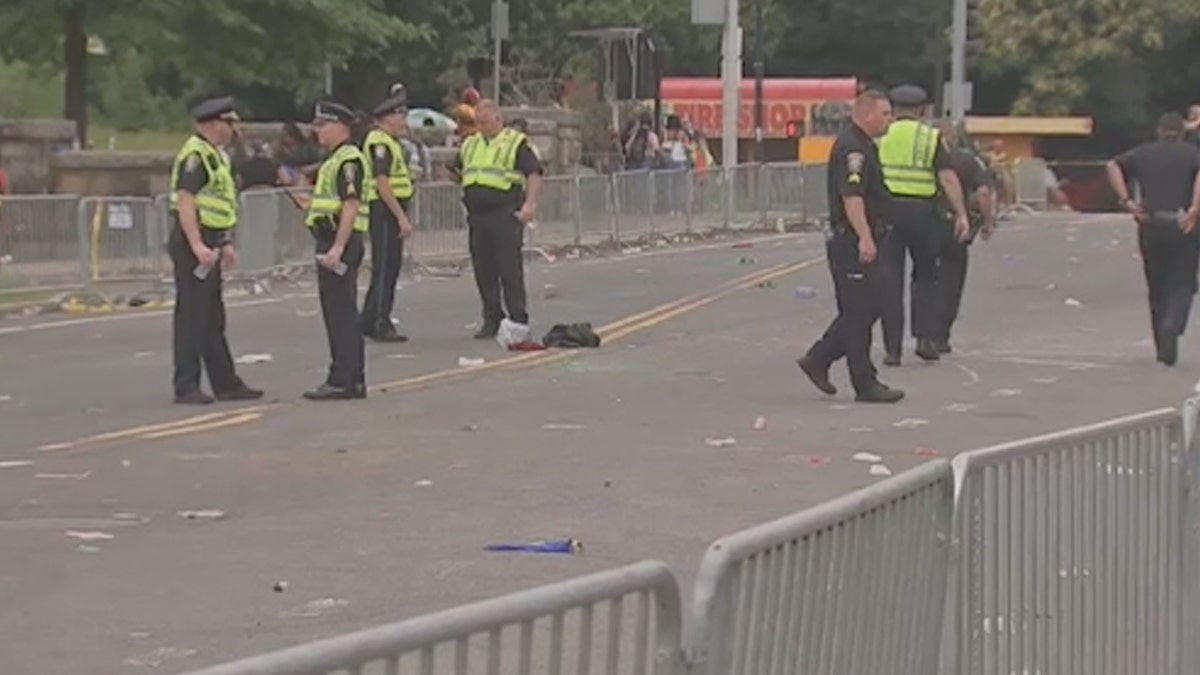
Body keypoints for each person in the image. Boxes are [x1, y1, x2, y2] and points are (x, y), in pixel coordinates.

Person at [796, 89, 905, 404]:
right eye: (885, 114)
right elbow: (852, 197)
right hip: (851, 240)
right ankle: (863, 382)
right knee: (859, 312)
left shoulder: (864, 145)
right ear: (867, 113)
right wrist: (865, 237)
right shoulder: (852, 149)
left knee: (867, 308)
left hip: (860, 236)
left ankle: (819, 358)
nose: (889, 120)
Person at [166, 96, 263, 405]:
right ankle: (186, 384)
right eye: (227, 122)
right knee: (192, 316)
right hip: (194, 240)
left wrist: (224, 242)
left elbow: (218, 204)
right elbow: (186, 200)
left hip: (211, 238)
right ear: (210, 124)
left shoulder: (217, 156)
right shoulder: (196, 155)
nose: (232, 128)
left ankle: (226, 382)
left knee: (211, 316)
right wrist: (197, 244)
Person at [877, 84, 969, 366]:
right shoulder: (931, 137)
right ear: (921, 110)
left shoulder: (880, 136)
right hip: (923, 212)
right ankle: (925, 340)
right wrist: (961, 213)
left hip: (888, 211)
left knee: (890, 280)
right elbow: (947, 178)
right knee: (926, 277)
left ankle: (892, 349)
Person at [1106, 112, 1200, 366]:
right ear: (1182, 132)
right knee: (1183, 282)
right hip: (1183, 223)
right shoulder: (1191, 153)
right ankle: (1173, 324)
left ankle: (1163, 345)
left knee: (1157, 285)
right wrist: (1195, 208)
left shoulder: (1142, 153)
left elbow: (1112, 165)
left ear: (1159, 131)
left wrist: (1126, 201)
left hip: (1150, 223)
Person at [448, 99, 543, 338]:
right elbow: (453, 169)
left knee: (509, 268)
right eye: (479, 123)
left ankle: (517, 318)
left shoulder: (514, 143)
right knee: (484, 270)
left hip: (505, 213)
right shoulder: (470, 144)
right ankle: (492, 317)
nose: (482, 127)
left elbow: (533, 172)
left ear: (499, 119)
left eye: (487, 122)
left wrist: (529, 203)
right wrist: (468, 186)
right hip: (477, 216)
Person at [298, 102, 370, 399]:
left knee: (341, 313)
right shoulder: (334, 159)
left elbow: (350, 205)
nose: (318, 131)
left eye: (322, 125)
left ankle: (345, 378)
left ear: (341, 125)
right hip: (331, 238)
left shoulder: (348, 160)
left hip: (339, 241)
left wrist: (337, 247)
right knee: (338, 312)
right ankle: (345, 375)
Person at [934, 120, 995, 353]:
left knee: (926, 279)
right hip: (956, 225)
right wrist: (988, 222)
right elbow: (983, 192)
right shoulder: (966, 160)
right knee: (952, 280)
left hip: (926, 222)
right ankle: (941, 335)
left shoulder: (922, 159)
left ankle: (924, 333)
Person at [360, 91, 416, 343]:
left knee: (386, 266)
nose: (404, 121)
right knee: (386, 268)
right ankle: (382, 321)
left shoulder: (389, 142)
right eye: (400, 116)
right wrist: (401, 216)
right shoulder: (380, 143)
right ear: (387, 118)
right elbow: (382, 182)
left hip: (389, 209)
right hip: (385, 211)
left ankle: (369, 320)